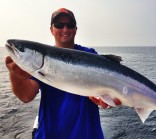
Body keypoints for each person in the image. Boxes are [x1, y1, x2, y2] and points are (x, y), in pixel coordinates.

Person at [5, 8, 121, 139]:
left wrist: (107, 96)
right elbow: (26, 96)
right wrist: (16, 77)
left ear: (75, 29)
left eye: (70, 25)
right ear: (51, 30)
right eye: (59, 25)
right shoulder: (38, 65)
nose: (65, 29)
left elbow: (106, 87)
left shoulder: (89, 54)